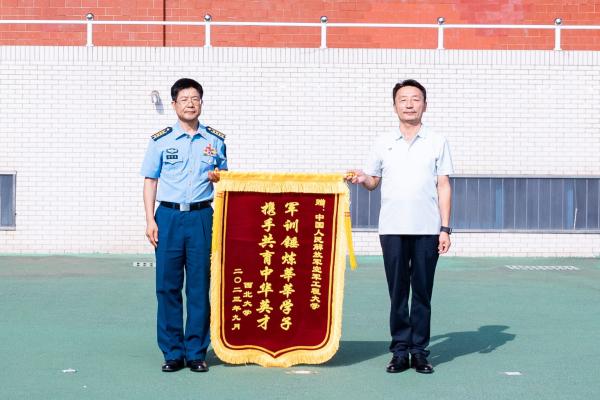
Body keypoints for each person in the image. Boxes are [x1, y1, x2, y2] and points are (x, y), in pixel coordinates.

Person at [346, 79, 453, 374]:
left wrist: (445, 228)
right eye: (403, 99)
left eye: (415, 99)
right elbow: (373, 182)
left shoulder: (437, 141)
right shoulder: (383, 142)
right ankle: (399, 351)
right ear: (394, 106)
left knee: (422, 292)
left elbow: (444, 185)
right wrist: (362, 178)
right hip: (392, 228)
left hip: (427, 229)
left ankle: (419, 352)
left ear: (425, 105)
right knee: (397, 292)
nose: (409, 104)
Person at [141, 78, 227, 373]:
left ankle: (196, 352)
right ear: (174, 104)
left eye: (195, 99)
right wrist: (150, 219)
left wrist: (219, 176)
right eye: (184, 99)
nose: (190, 104)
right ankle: (172, 352)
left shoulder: (215, 140)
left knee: (199, 286)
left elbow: (225, 177)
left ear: (201, 103)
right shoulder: (161, 140)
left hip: (202, 217)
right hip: (169, 217)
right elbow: (150, 180)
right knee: (167, 286)